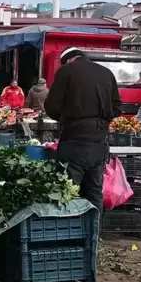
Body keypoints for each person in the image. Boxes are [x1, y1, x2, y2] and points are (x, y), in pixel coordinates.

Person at [44, 47, 121, 213]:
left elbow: (51, 106)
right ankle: (94, 233)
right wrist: (100, 122)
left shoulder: (67, 71)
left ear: (69, 60)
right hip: (100, 143)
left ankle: (70, 232)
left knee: (66, 191)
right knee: (94, 191)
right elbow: (117, 108)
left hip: (74, 141)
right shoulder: (106, 73)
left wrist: (66, 118)